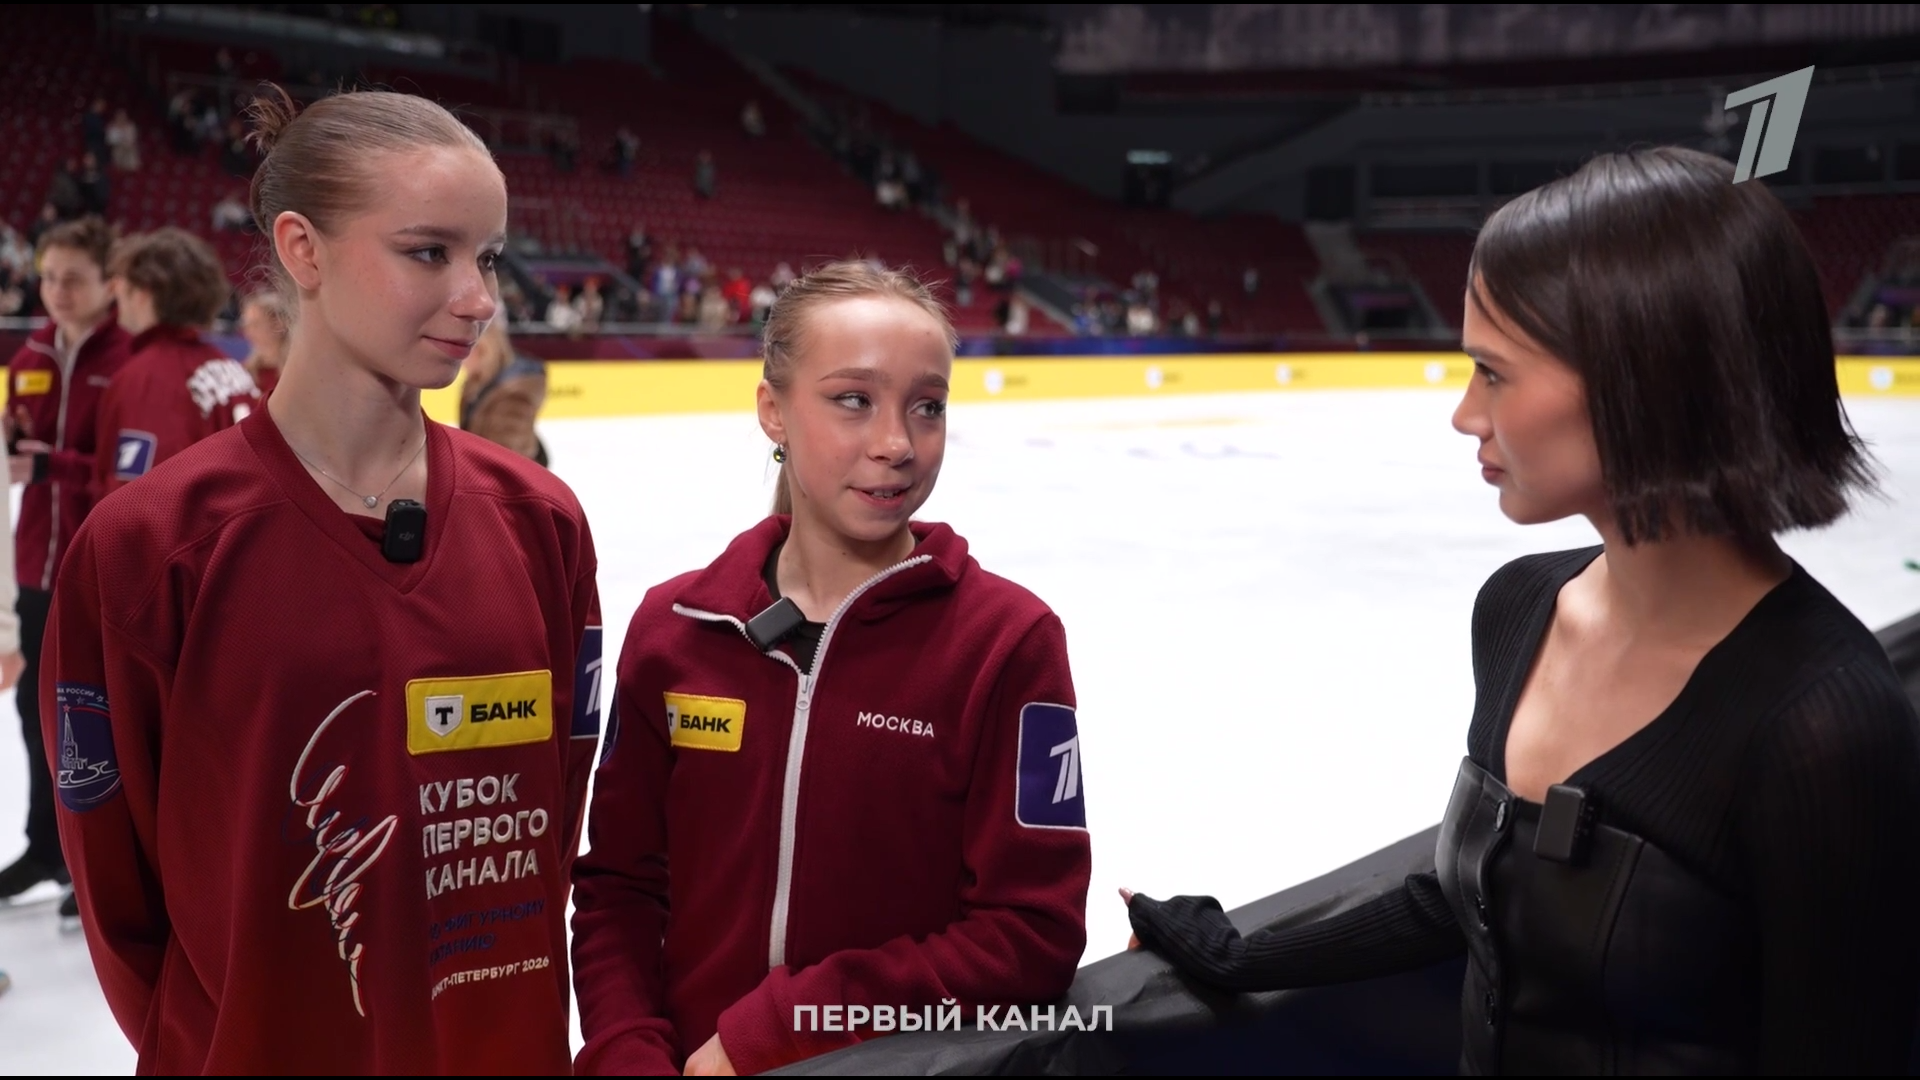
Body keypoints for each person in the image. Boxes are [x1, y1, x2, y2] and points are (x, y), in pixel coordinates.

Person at [1123, 146, 1920, 1074]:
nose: (1465, 414)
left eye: (1491, 372)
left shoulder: (1823, 727)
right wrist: (1238, 955)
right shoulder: (1518, 608)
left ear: (1643, 378)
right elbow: (1481, 895)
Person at [44, 84, 602, 1074]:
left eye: (488, 257)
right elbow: (117, 889)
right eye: (429, 252)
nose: (480, 297)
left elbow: (555, 814)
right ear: (302, 250)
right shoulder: (148, 547)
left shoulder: (541, 524)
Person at [572, 261, 1091, 1076]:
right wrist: (626, 1053)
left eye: (927, 406)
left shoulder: (1006, 642)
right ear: (773, 411)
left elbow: (1032, 936)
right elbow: (619, 891)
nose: (897, 444)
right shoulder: (677, 630)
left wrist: (789, 1026)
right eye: (854, 400)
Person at [0, 216, 132, 913]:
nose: (57, 291)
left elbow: (128, 466)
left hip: (101, 564)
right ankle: (46, 849)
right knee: (33, 709)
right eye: (48, 277)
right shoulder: (31, 355)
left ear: (110, 282)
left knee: (102, 718)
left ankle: (106, 862)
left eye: (73, 279)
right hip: (35, 563)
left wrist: (56, 465)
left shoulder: (129, 358)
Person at [94, 227, 259, 494]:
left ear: (144, 293)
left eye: (121, 282)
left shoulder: (149, 379)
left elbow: (141, 497)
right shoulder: (228, 366)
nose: (114, 291)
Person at [459, 318, 549, 467]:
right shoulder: (479, 385)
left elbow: (507, 462)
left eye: (464, 350)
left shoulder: (512, 396)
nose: (459, 359)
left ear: (483, 350)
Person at [238, 290, 288, 397]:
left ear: (279, 325)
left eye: (256, 324)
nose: (248, 331)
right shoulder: (246, 372)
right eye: (246, 325)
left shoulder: (296, 371)